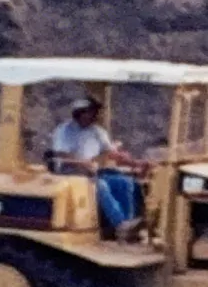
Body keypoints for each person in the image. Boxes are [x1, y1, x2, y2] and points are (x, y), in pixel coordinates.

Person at [48, 99, 143, 237]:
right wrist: (82, 163)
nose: (95, 115)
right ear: (80, 113)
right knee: (101, 185)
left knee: (125, 182)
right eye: (90, 111)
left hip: (92, 172)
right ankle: (120, 223)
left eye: (95, 112)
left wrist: (136, 163)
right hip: (70, 173)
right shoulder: (64, 130)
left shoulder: (97, 131)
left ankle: (129, 225)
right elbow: (61, 154)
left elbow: (112, 153)